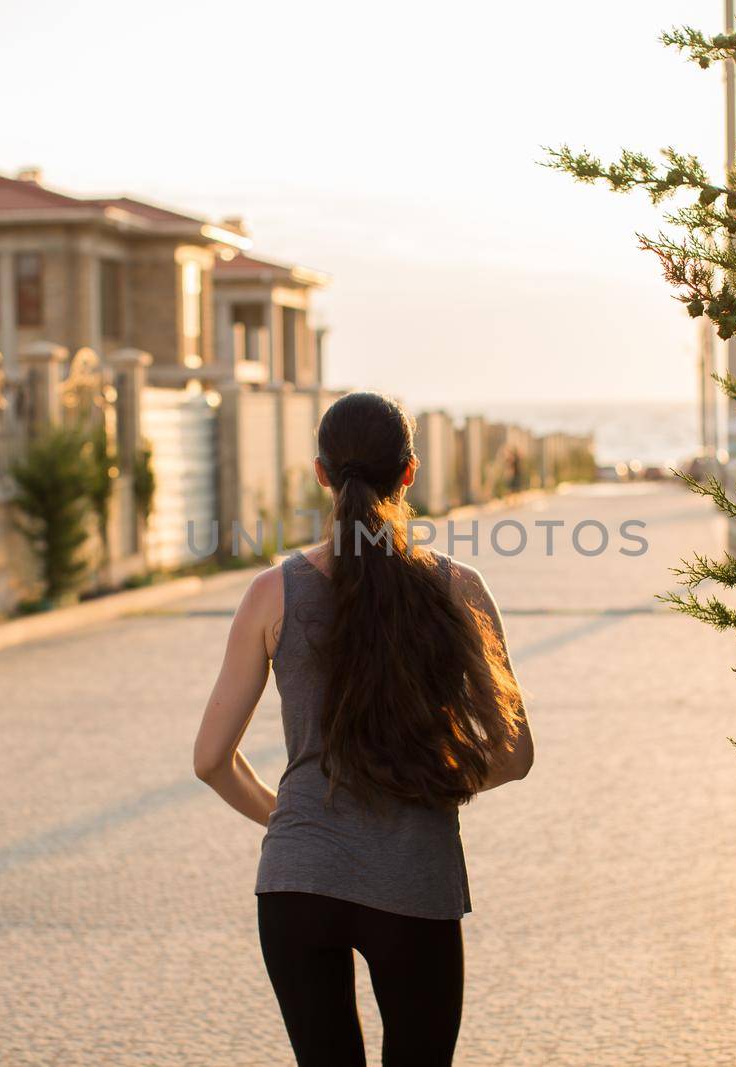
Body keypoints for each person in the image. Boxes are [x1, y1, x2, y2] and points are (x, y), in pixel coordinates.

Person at [193, 390, 534, 1067]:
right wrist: (434, 783)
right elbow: (515, 752)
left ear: (321, 473)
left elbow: (210, 758)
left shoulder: (272, 592)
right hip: (414, 880)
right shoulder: (458, 586)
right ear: (410, 473)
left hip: (296, 883)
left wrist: (287, 817)